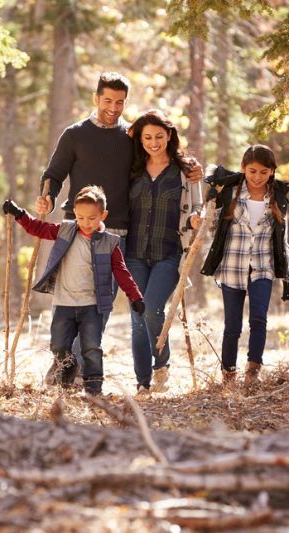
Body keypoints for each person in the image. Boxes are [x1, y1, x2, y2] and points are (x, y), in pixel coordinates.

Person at [36, 72, 203, 386]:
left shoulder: (130, 136)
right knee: (74, 300)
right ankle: (65, 362)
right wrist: (47, 196)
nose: (113, 107)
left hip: (119, 235)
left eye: (120, 102)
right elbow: (54, 174)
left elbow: (161, 157)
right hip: (78, 230)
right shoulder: (75, 134)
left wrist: (192, 168)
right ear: (96, 98)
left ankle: (74, 366)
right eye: (108, 100)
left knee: (102, 304)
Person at [3, 186, 145, 396]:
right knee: (58, 345)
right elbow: (38, 228)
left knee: (91, 348)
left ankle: (93, 388)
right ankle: (67, 368)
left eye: (91, 218)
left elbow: (121, 271)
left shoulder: (110, 243)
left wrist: (135, 296)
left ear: (103, 215)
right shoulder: (66, 231)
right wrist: (19, 214)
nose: (86, 223)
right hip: (64, 304)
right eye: (80, 217)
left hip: (92, 306)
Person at [200, 144, 289, 389]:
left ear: (272, 172)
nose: (257, 177)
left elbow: (282, 241)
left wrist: (288, 277)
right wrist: (208, 207)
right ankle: (228, 373)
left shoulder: (277, 200)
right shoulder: (230, 194)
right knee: (232, 325)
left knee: (259, 319)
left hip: (262, 268)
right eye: (252, 171)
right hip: (232, 267)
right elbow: (211, 228)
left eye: (264, 172)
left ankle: (253, 370)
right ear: (243, 168)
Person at [125, 110, 203, 395]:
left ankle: (161, 364)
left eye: (159, 136)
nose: (153, 142)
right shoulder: (132, 168)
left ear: (169, 135)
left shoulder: (185, 171)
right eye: (147, 137)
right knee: (137, 317)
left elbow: (198, 205)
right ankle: (142, 382)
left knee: (152, 309)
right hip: (133, 253)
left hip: (169, 253)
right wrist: (133, 130)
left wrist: (196, 218)